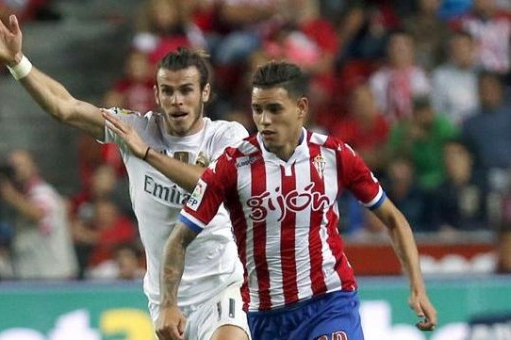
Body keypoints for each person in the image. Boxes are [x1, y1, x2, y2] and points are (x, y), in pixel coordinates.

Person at [0, 7, 250, 339]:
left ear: (205, 93)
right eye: (168, 91)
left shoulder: (227, 136)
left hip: (222, 285)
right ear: (156, 94)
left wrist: (147, 154)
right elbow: (66, 107)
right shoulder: (135, 128)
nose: (176, 100)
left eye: (186, 90)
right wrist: (17, 62)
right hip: (166, 295)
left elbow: (214, 184)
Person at [157, 61, 437, 340]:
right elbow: (178, 239)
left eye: (275, 109)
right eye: (258, 109)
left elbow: (393, 219)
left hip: (329, 302)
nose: (264, 120)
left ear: (301, 108)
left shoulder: (334, 155)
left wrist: (417, 286)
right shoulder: (231, 165)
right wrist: (168, 304)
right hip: (265, 317)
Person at [0, 149, 78, 280]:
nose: (16, 169)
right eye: (12, 166)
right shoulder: (20, 198)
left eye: (20, 165)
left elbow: (38, 214)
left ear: (34, 167)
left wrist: (8, 194)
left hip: (54, 277)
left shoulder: (43, 192)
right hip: (31, 276)